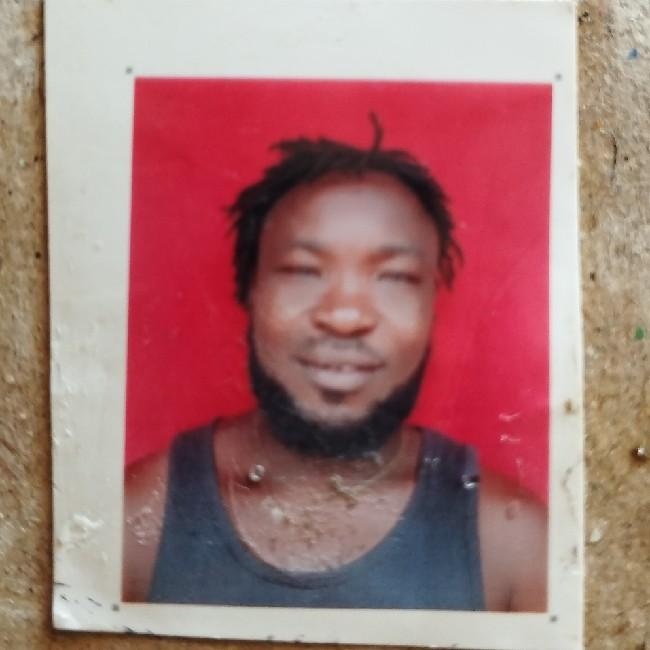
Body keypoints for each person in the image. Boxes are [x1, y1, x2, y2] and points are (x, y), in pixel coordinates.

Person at [123, 118, 547, 611]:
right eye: (303, 270)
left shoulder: (512, 544)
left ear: (434, 307)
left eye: (395, 276)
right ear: (249, 291)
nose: (345, 317)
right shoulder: (136, 522)